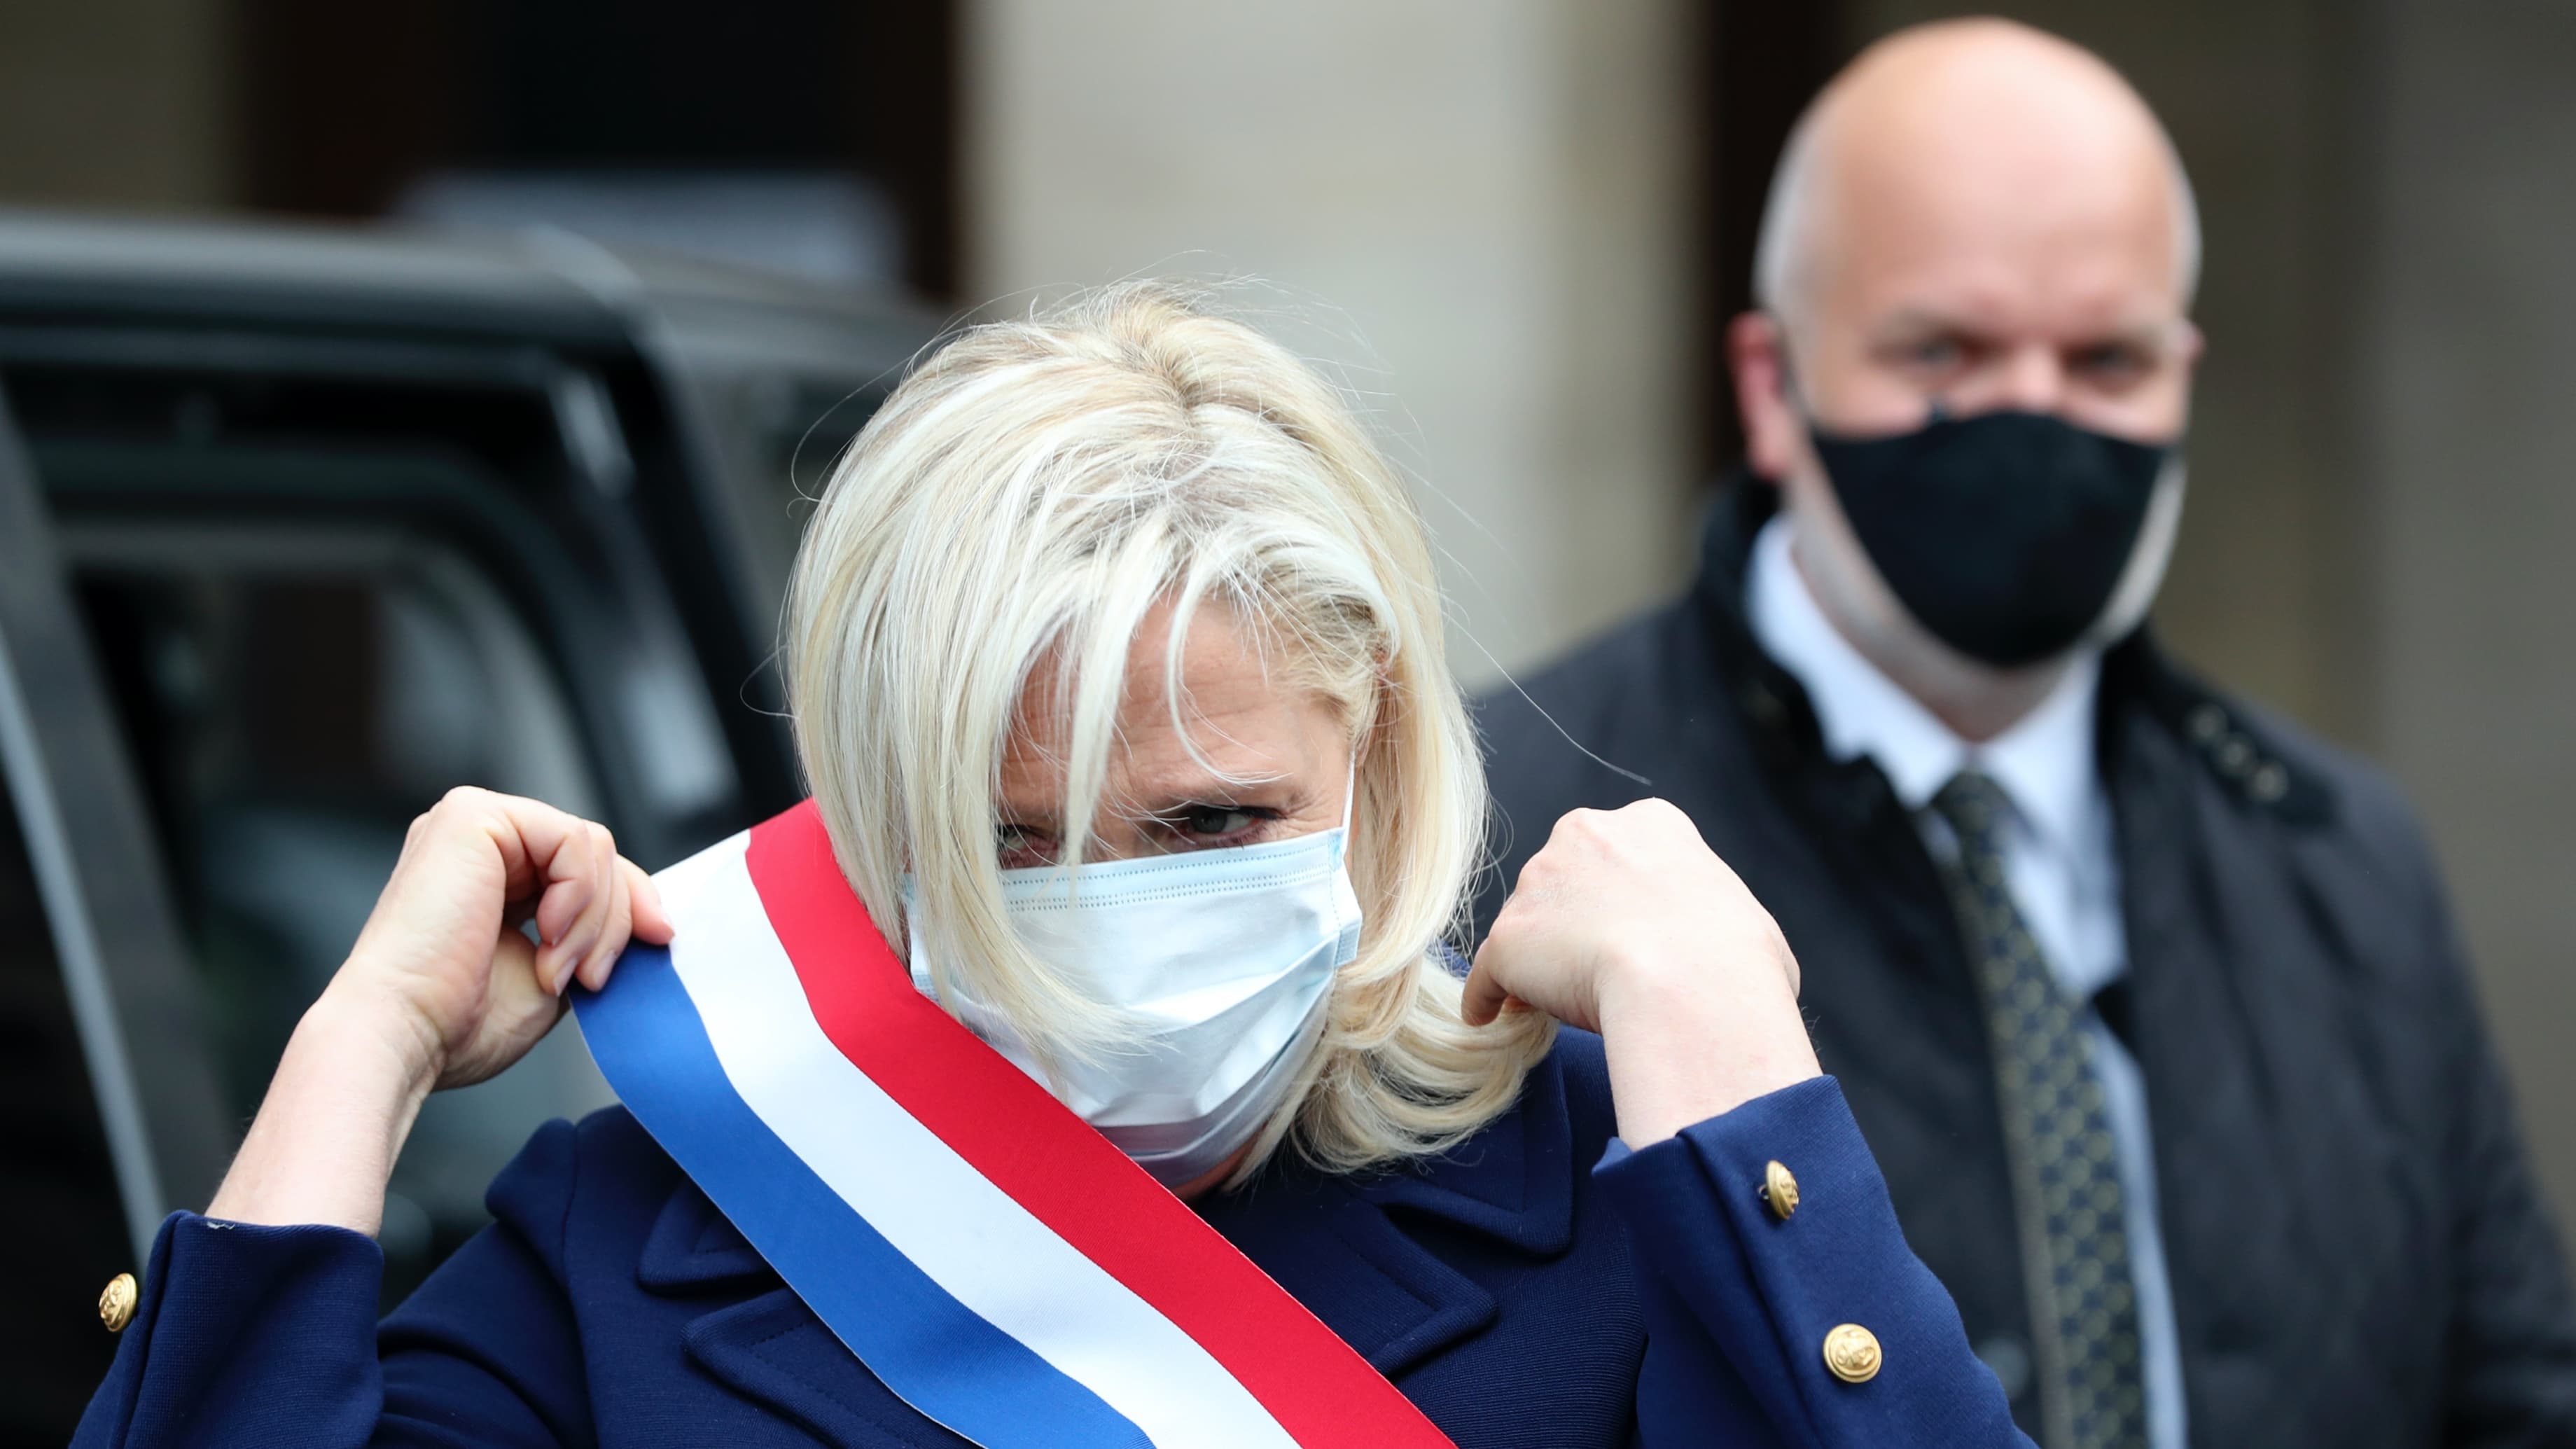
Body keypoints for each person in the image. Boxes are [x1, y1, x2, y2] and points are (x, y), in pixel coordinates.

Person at [76, 282, 2044, 1447]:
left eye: (1208, 823)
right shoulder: (654, 1231)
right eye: (1004, 840)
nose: (1110, 909)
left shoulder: (1601, 1183)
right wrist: (363, 1044)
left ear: (1370, 740)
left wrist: (1737, 1051)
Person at [1475, 18, 2576, 1449]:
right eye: (1942, 351)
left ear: (2185, 373)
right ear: (1770, 387)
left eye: (2106, 361)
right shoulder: (1516, 831)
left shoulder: (2339, 859)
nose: (2030, 418)